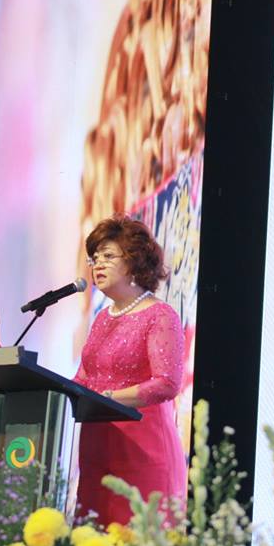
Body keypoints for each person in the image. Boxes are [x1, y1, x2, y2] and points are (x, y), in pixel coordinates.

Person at [74, 215, 187, 525]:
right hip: (96, 450)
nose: (98, 264)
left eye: (108, 256)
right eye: (94, 258)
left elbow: (167, 383)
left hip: (142, 452)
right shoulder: (102, 319)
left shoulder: (160, 315)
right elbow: (84, 379)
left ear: (135, 262)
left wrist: (109, 398)